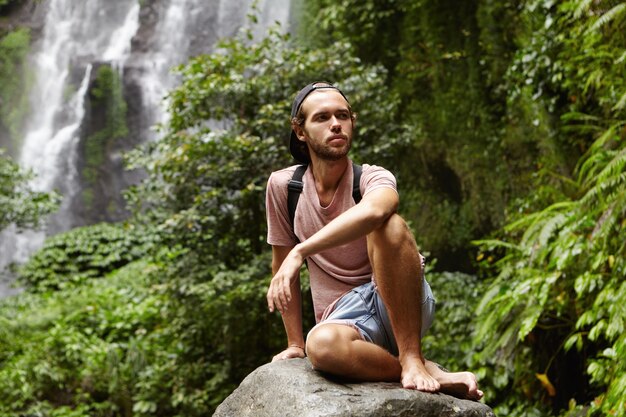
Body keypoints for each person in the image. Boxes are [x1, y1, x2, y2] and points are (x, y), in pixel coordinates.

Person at [265, 81, 483, 400]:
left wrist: (303, 250)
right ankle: (421, 368)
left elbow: (377, 210)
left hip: (397, 298)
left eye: (343, 115)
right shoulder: (285, 188)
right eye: (322, 117)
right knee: (319, 346)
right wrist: (295, 344)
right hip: (344, 321)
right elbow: (281, 267)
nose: (336, 124)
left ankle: (412, 357)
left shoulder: (371, 177)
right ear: (300, 131)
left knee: (389, 225)